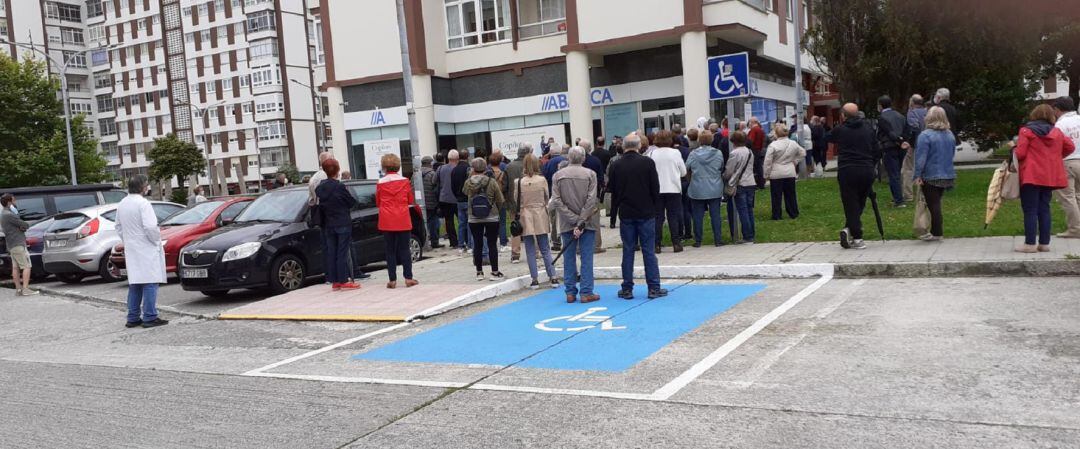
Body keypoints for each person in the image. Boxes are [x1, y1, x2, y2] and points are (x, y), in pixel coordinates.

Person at [609, 133, 666, 300]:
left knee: (628, 250)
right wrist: (656, 210)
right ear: (639, 146)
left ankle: (627, 288)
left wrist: (613, 216)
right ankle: (653, 287)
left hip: (626, 212)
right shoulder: (647, 162)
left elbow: (613, 191)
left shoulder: (616, 165)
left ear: (624, 146)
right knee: (648, 250)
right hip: (646, 212)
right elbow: (655, 188)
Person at [1014, 104, 1076, 253]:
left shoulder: (1026, 131)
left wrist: (1013, 147)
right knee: (1044, 209)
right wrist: (1054, 156)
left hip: (1031, 175)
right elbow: (1070, 147)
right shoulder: (1057, 132)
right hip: (1049, 176)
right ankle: (1044, 243)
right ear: (1051, 116)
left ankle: (1029, 244)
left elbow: (1021, 153)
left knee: (1030, 210)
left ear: (1034, 114)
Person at [115, 175, 168, 327]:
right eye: (146, 185)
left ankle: (132, 318)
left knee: (135, 283)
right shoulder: (143, 204)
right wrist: (156, 241)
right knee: (150, 283)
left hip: (132, 248)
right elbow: (150, 227)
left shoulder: (122, 203)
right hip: (146, 247)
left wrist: (128, 240)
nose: (147, 188)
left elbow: (118, 226)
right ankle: (150, 316)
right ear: (142, 187)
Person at [550, 146, 600, 304]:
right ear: (584, 158)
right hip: (587, 222)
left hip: (566, 222)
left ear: (569, 158)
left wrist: (573, 220)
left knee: (568, 257)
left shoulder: (558, 175)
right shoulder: (590, 174)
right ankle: (586, 292)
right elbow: (591, 200)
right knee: (586, 257)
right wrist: (581, 221)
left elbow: (556, 201)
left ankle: (570, 292)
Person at [831, 103, 882, 250]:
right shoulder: (868, 129)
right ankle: (849, 230)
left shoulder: (840, 130)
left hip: (848, 170)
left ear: (843, 115)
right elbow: (877, 150)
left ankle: (857, 237)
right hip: (866, 170)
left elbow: (826, 138)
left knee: (850, 203)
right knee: (860, 202)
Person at [912, 106, 957, 242]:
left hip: (931, 174)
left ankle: (937, 232)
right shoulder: (950, 134)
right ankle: (935, 230)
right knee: (936, 202)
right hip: (947, 173)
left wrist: (917, 175)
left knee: (933, 205)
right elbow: (952, 154)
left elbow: (921, 158)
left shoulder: (925, 136)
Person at [315, 159, 361, 290]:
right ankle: (343, 280)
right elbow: (351, 202)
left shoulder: (320, 188)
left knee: (332, 252)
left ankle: (334, 280)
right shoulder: (339, 186)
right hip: (342, 221)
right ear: (337, 170)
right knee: (342, 252)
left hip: (328, 223)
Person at [516, 154, 559, 289]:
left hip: (525, 214)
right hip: (540, 212)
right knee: (545, 247)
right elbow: (547, 197)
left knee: (529, 249)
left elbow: (516, 200)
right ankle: (553, 277)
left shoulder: (518, 182)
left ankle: (534, 279)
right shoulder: (542, 180)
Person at [375, 154, 418, 289]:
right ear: (398, 166)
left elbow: (378, 202)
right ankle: (408, 278)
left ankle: (392, 279)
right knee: (405, 249)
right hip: (402, 218)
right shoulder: (404, 181)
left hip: (387, 219)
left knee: (390, 250)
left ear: (384, 167)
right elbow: (410, 200)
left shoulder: (380, 183)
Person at [463, 157, 506, 280]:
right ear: (485, 168)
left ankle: (479, 272)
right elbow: (500, 199)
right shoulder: (491, 182)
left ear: (473, 168)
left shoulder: (468, 183)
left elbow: (464, 192)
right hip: (491, 216)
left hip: (474, 217)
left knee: (477, 244)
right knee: (492, 244)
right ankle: (495, 271)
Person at [649, 130, 687, 253]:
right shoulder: (675, 153)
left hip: (657, 189)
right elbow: (683, 172)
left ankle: (657, 244)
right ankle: (676, 243)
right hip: (673, 188)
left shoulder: (652, 154)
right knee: (673, 216)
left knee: (658, 217)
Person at [685, 130, 725, 247]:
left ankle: (698, 240)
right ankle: (718, 239)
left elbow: (686, 168)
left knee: (697, 216)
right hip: (715, 187)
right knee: (715, 215)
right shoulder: (718, 153)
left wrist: (690, 180)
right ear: (711, 140)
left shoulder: (693, 154)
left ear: (699, 140)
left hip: (697, 187)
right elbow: (721, 167)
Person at [1051, 96, 1080, 238]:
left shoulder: (1060, 125)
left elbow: (1055, 146)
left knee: (1068, 197)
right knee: (1079, 195)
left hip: (1068, 161)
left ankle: (1075, 229)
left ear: (1057, 109)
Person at [764, 125, 806, 220]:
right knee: (791, 194)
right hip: (790, 171)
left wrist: (766, 174)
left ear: (776, 133)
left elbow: (768, 161)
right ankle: (793, 212)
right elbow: (803, 152)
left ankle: (777, 215)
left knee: (776, 196)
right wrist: (795, 161)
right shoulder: (793, 143)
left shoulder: (773, 145)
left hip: (776, 173)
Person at [877, 95, 912, 207]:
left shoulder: (882, 118)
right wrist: (903, 141)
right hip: (901, 147)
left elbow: (883, 133)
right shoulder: (900, 116)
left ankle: (898, 200)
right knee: (898, 171)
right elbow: (908, 130)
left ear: (880, 105)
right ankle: (898, 196)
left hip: (889, 146)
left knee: (893, 174)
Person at [1, 194, 37, 296]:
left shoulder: (3, 214)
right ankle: (25, 289)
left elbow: (19, 226)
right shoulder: (9, 214)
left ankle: (18, 290)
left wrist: (21, 227)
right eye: (13, 201)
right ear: (9, 202)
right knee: (26, 266)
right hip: (18, 243)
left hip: (11, 244)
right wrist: (22, 227)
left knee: (15, 268)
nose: (15, 203)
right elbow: (25, 224)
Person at [725, 131, 758, 244]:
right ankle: (751, 234)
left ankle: (747, 236)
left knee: (742, 210)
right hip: (750, 182)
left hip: (740, 184)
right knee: (749, 210)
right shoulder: (750, 152)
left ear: (734, 141)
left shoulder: (734, 153)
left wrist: (724, 177)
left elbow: (729, 170)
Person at [505, 145, 530, 263]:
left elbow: (505, 186)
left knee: (515, 228)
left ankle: (515, 254)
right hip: (529, 202)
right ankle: (535, 252)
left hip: (513, 202)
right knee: (531, 226)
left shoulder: (509, 166)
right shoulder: (530, 165)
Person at [903, 95, 929, 201]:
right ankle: (925, 193)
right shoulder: (928, 112)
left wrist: (908, 142)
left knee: (908, 168)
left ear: (912, 102)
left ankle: (908, 194)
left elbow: (913, 128)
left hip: (915, 143)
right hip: (928, 142)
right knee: (925, 168)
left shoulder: (912, 112)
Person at [542, 145, 566, 250]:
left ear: (551, 152)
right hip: (566, 194)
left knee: (554, 218)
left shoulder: (548, 163)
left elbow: (545, 177)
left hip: (553, 192)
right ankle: (566, 239)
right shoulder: (566, 160)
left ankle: (556, 242)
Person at [436, 150, 462, 249]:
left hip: (444, 198)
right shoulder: (458, 168)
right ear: (457, 158)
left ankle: (453, 242)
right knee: (461, 220)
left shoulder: (440, 168)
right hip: (457, 197)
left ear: (448, 158)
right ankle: (463, 239)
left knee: (448, 220)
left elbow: (435, 180)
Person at [451, 149, 473, 251]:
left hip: (459, 199)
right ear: (467, 156)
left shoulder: (454, 169)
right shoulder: (468, 169)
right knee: (469, 223)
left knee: (461, 223)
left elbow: (452, 186)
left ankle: (460, 245)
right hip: (467, 198)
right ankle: (469, 245)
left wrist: (457, 195)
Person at [419, 156, 443, 249]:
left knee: (423, 223)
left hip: (419, 203)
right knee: (434, 223)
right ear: (430, 163)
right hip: (431, 203)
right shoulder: (432, 173)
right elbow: (436, 189)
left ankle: (424, 242)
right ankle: (434, 242)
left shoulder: (416, 173)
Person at [488, 151, 511, 249]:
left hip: (490, 199)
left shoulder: (487, 173)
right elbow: (506, 187)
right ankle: (503, 243)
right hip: (501, 199)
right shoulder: (503, 172)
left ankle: (491, 242)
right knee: (502, 222)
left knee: (491, 222)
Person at [746, 117, 767, 189]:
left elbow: (750, 141)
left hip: (754, 150)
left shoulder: (754, 130)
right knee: (759, 168)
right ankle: (761, 183)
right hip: (759, 150)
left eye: (750, 122)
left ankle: (757, 184)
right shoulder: (760, 130)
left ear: (752, 122)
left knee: (755, 168)